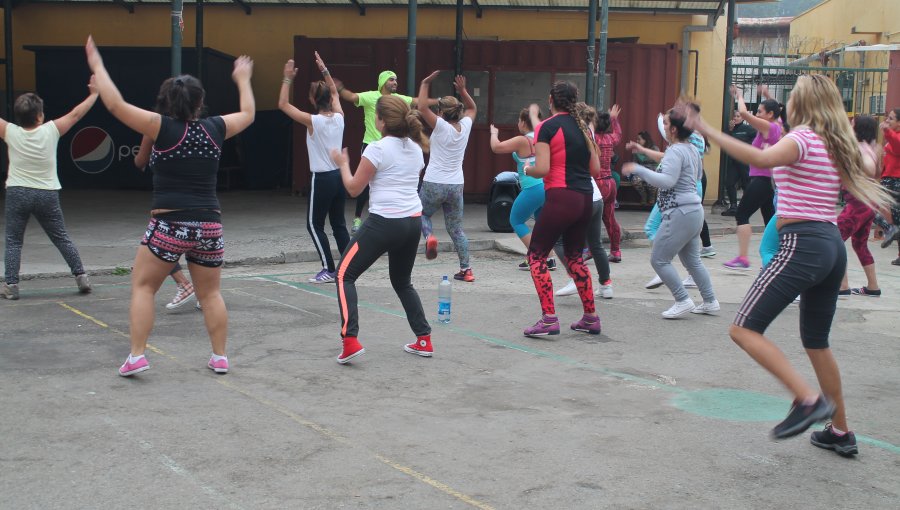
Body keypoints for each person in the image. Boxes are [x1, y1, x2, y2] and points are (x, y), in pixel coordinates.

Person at [684, 74, 893, 455]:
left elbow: (761, 158)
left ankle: (808, 400)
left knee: (744, 329)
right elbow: (869, 163)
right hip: (830, 247)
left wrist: (706, 128)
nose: (788, 100)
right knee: (816, 342)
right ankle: (841, 431)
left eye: (792, 95)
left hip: (803, 244)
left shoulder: (802, 139)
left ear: (804, 103)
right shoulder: (836, 142)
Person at [86, 36, 256, 377]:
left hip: (169, 225)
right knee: (210, 294)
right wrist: (242, 80)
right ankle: (220, 357)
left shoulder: (159, 127)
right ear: (200, 102)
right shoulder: (216, 128)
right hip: (210, 225)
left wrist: (98, 66)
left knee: (144, 286)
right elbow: (250, 113)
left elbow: (116, 105)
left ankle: (137, 355)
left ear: (165, 102)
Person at [330, 95, 432, 363]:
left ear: (382, 121)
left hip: (384, 222)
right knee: (402, 282)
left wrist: (342, 164)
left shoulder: (376, 149)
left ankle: (350, 340)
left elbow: (354, 188)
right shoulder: (415, 148)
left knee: (343, 275)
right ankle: (424, 339)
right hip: (412, 222)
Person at [521, 81, 601, 337]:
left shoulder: (547, 126)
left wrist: (527, 169)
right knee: (575, 257)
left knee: (536, 256)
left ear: (551, 100)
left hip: (560, 197)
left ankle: (548, 318)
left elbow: (542, 169)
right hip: (585, 198)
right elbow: (596, 170)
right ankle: (590, 317)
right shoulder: (585, 128)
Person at [622, 106, 718, 318]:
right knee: (692, 261)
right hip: (693, 211)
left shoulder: (676, 150)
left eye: (665, 124)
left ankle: (682, 299)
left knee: (659, 259)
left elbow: (667, 181)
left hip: (679, 213)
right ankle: (710, 300)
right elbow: (697, 175)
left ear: (674, 129)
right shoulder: (691, 149)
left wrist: (638, 169)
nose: (663, 127)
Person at [1, 88, 97, 301]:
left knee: (14, 240)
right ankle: (81, 276)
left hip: (17, 191)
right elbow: (76, 114)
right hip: (47, 192)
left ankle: (12, 284)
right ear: (39, 116)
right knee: (61, 237)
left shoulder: (10, 131)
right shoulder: (51, 130)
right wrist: (93, 94)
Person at [335, 70, 437, 233]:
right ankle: (358, 218)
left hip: (391, 147)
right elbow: (352, 97)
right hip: (371, 145)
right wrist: (339, 90)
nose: (395, 82)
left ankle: (383, 216)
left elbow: (419, 101)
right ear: (382, 82)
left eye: (396, 80)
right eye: (391, 80)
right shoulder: (370, 96)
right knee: (366, 185)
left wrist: (437, 100)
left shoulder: (400, 100)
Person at [279, 52, 350, 284]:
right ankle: (350, 267)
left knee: (314, 225)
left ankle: (329, 269)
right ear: (330, 97)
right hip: (339, 177)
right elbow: (333, 90)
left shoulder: (313, 121)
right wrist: (325, 70)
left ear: (312, 99)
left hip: (321, 179)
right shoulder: (340, 117)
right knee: (338, 223)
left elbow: (282, 104)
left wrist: (287, 78)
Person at [135, 97, 200, 311]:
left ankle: (185, 284)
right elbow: (247, 113)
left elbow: (139, 161)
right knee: (199, 246)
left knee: (157, 247)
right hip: (203, 204)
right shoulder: (204, 128)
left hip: (171, 203)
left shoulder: (156, 127)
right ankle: (203, 292)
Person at [417, 71, 476, 282]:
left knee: (422, 214)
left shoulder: (440, 126)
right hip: (455, 185)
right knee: (456, 229)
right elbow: (472, 108)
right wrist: (463, 91)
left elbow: (422, 107)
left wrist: (425, 83)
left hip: (434, 181)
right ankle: (466, 270)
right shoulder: (465, 127)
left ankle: (429, 237)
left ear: (441, 112)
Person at [722, 85, 786, 270]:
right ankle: (776, 258)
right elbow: (776, 109)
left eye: (760, 111)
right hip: (767, 181)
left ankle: (743, 257)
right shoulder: (777, 125)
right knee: (769, 221)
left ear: (770, 114)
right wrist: (766, 94)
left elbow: (743, 112)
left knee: (742, 214)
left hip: (762, 179)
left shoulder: (768, 127)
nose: (756, 114)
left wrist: (739, 95)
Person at [489, 105, 558, 272]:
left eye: (518, 120)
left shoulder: (523, 140)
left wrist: (493, 134)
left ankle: (536, 257)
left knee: (516, 220)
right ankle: (549, 258)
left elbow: (496, 147)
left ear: (522, 122)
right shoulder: (543, 137)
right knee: (541, 224)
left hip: (533, 187)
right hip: (547, 185)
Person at [556, 102, 613, 300]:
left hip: (581, 196)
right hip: (596, 197)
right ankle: (606, 285)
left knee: (561, 240)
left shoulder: (573, 138)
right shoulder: (589, 136)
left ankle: (576, 277)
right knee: (595, 244)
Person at [837, 115, 881, 297]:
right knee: (860, 244)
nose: (849, 125)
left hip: (858, 203)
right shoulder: (870, 147)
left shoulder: (859, 148)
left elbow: (871, 169)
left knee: (835, 240)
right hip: (867, 203)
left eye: (852, 123)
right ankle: (873, 287)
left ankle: (843, 285)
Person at [595, 105, 624, 262]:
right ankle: (616, 251)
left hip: (597, 183)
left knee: (588, 218)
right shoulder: (609, 139)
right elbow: (618, 133)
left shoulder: (593, 138)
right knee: (610, 218)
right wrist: (613, 118)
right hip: (610, 182)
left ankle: (589, 249)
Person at [873, 107, 900, 257]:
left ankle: (890, 229)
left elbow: (897, 147)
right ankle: (891, 230)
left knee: (870, 206)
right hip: (890, 178)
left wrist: (886, 132)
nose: (887, 121)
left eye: (891, 118)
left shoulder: (895, 136)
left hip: (895, 180)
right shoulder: (893, 136)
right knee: (896, 218)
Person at [721, 110, 756, 216]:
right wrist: (730, 130)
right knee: (729, 183)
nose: (736, 118)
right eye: (734, 116)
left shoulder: (748, 129)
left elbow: (755, 142)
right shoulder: (730, 129)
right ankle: (733, 206)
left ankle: (746, 207)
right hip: (734, 161)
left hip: (745, 161)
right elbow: (725, 141)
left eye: (738, 116)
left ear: (743, 118)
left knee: (747, 184)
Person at [629, 130, 659, 206]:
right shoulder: (636, 151)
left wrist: (644, 157)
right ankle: (644, 196)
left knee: (652, 181)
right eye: (637, 139)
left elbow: (656, 160)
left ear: (646, 140)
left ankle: (652, 198)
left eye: (639, 139)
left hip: (653, 171)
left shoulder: (654, 149)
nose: (637, 141)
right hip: (641, 172)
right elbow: (635, 163)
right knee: (636, 180)